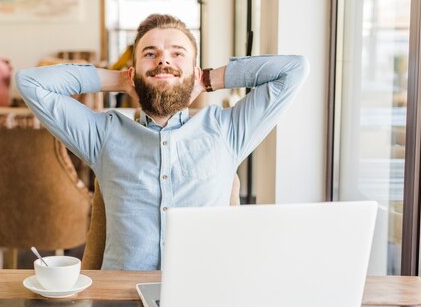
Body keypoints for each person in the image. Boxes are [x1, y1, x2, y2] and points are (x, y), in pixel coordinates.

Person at [17, 14, 309, 270]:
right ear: (133, 72)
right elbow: (30, 83)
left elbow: (294, 70)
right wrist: (118, 80)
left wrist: (209, 78)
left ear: (195, 71)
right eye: (150, 54)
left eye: (177, 54)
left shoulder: (227, 130)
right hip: (120, 306)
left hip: (202, 300)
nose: (164, 60)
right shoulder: (102, 135)